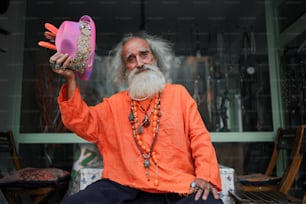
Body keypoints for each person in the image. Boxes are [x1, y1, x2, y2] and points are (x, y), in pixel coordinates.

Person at [49, 32, 223, 204]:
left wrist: (205, 176)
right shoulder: (114, 104)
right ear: (125, 70)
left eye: (144, 55)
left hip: (176, 188)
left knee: (209, 202)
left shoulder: (179, 95)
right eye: (131, 59)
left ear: (155, 59)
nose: (139, 63)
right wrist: (71, 80)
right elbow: (80, 121)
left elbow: (200, 139)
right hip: (124, 187)